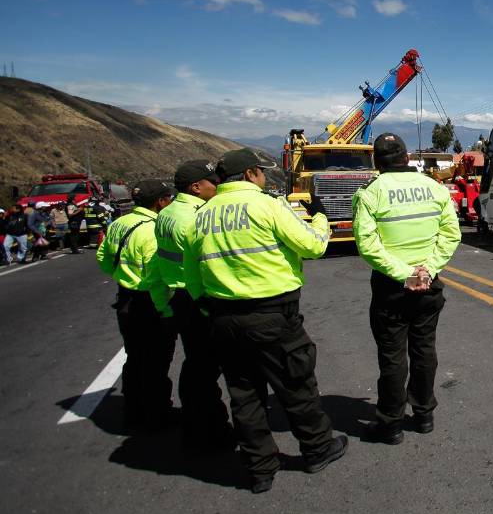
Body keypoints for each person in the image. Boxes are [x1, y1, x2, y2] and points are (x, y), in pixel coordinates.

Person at [187, 148, 346, 493]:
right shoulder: (266, 205)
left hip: (223, 318)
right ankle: (317, 449)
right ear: (249, 174)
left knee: (244, 395)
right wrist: (319, 218)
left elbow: (192, 274)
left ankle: (260, 468)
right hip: (273, 316)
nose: (263, 177)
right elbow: (313, 246)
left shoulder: (201, 216)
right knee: (296, 384)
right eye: (260, 172)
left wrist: (210, 309)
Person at [352, 133, 461, 445]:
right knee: (424, 350)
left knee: (392, 356)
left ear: (376, 160)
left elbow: (368, 245)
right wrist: (427, 269)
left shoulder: (370, 193)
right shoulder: (434, 187)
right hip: (428, 284)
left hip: (391, 288)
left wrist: (404, 274)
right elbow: (451, 235)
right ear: (407, 157)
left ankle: (391, 424)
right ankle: (424, 415)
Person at [150, 159, 234, 452]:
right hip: (197, 297)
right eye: (213, 181)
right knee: (206, 370)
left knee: (197, 367)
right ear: (196, 187)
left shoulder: (167, 213)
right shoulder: (195, 218)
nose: (218, 185)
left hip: (179, 297)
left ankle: (199, 427)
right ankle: (208, 433)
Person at [97, 180, 176, 432]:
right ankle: (157, 415)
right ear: (160, 202)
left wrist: (123, 277)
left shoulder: (119, 224)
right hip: (149, 303)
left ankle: (133, 411)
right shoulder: (153, 230)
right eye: (168, 199)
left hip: (126, 299)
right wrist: (165, 309)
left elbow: (103, 257)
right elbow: (155, 278)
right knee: (156, 362)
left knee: (134, 358)